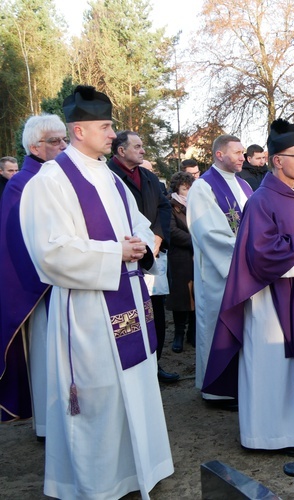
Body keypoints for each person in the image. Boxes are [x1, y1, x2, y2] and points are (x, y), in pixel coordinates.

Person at [19, 85, 173, 498]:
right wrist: (114, 252)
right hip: (87, 310)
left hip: (129, 300)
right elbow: (48, 251)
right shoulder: (50, 181)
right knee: (99, 396)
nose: (112, 134)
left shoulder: (110, 176)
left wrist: (144, 243)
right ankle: (100, 482)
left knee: (135, 386)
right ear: (80, 130)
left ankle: (141, 468)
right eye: (105, 127)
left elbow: (138, 222)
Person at [202, 119, 294, 457]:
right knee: (276, 366)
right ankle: (273, 436)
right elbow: (260, 254)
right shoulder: (262, 201)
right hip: (270, 301)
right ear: (278, 160)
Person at [0, 114, 67, 436]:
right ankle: (47, 424)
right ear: (34, 146)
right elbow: (17, 241)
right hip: (41, 288)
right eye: (55, 141)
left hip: (71, 279)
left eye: (65, 138)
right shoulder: (21, 183)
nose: (64, 146)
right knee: (46, 356)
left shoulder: (61, 177)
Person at [187, 134, 253, 404]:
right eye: (237, 152)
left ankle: (243, 382)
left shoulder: (245, 185)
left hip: (245, 269)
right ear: (219, 155)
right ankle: (216, 389)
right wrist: (248, 251)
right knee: (217, 325)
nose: (242, 157)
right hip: (219, 271)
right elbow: (209, 233)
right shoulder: (203, 187)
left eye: (243, 152)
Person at [108, 131, 178, 383]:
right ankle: (131, 369)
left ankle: (154, 364)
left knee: (155, 314)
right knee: (128, 315)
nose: (143, 150)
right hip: (124, 254)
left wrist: (158, 237)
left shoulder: (148, 176)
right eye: (137, 146)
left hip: (153, 253)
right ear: (120, 151)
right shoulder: (108, 176)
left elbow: (163, 206)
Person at [166, 171, 196, 353]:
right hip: (180, 257)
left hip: (196, 258)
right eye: (185, 188)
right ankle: (178, 333)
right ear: (177, 188)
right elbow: (171, 230)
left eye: (190, 187)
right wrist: (196, 241)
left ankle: (192, 332)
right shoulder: (170, 205)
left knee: (195, 296)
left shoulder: (196, 204)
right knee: (180, 298)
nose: (188, 191)